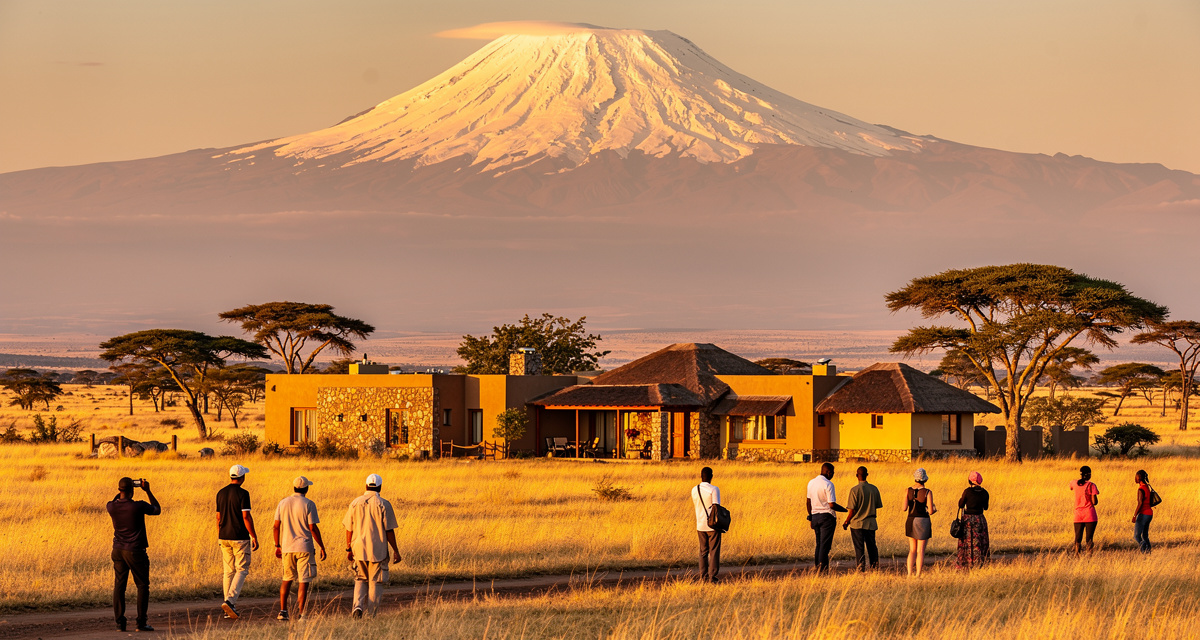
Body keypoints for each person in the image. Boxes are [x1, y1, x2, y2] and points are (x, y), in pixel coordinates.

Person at [107, 477, 161, 632]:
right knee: (142, 585)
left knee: (119, 585)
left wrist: (122, 492)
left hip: (117, 550)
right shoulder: (138, 506)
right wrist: (148, 490)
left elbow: (115, 500)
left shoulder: (111, 507)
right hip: (135, 551)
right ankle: (141, 622)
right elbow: (156, 509)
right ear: (132, 489)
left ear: (119, 490)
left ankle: (120, 623)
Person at [344, 473, 400, 618]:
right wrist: (396, 551)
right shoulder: (384, 504)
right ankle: (371, 614)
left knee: (360, 578)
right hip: (378, 550)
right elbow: (389, 530)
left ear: (366, 485)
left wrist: (348, 547)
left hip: (358, 548)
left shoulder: (355, 502)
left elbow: (349, 528)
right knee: (376, 581)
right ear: (380, 486)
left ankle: (357, 607)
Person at [274, 476, 327, 621]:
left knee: (287, 579)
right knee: (304, 582)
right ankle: (302, 614)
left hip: (286, 546)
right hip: (304, 547)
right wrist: (322, 546)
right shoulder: (309, 504)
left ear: (294, 487)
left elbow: (276, 526)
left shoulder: (283, 503)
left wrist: (277, 545)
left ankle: (283, 611)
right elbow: (312, 528)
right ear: (306, 489)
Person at [216, 464, 259, 620]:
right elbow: (246, 517)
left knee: (228, 571)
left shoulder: (220, 493)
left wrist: (219, 534)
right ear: (242, 478)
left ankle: (227, 607)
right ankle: (230, 601)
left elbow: (218, 517)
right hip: (239, 537)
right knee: (242, 569)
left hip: (223, 536)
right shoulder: (243, 494)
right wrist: (253, 535)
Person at [842, 466, 883, 572]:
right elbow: (877, 505)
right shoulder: (874, 489)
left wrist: (847, 521)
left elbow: (852, 510)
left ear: (857, 475)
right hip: (870, 522)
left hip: (857, 523)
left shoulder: (854, 490)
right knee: (872, 546)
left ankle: (860, 568)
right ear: (867, 475)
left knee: (859, 548)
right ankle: (874, 567)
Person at [806, 462, 845, 573]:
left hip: (815, 516)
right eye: (832, 472)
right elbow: (831, 504)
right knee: (825, 546)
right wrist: (844, 510)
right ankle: (823, 571)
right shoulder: (828, 484)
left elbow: (808, 502)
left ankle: (818, 568)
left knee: (818, 544)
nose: (833, 475)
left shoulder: (811, 482)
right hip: (827, 517)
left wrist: (811, 516)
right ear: (828, 472)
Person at [904, 467, 937, 577]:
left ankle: (909, 574)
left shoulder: (907, 490)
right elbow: (931, 511)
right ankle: (918, 575)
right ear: (925, 480)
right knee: (920, 550)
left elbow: (904, 508)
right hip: (923, 520)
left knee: (912, 550)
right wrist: (934, 509)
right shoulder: (928, 492)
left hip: (910, 519)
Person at [692, 466, 722, 583]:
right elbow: (716, 507)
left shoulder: (694, 489)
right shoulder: (714, 489)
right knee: (714, 551)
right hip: (712, 525)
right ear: (711, 477)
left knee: (703, 551)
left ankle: (703, 577)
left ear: (701, 476)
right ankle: (712, 577)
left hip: (700, 524)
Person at [955, 471, 990, 569]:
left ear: (970, 481)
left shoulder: (967, 491)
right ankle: (980, 562)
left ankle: (966, 562)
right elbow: (986, 507)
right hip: (980, 519)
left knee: (967, 541)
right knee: (980, 541)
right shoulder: (985, 492)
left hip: (968, 520)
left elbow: (961, 505)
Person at [1071, 465, 1099, 555]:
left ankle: (1077, 554)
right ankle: (1089, 555)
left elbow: (1071, 486)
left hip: (1078, 514)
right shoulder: (1091, 485)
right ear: (1089, 475)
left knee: (1078, 537)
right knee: (1089, 538)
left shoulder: (1074, 483)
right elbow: (1094, 502)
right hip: (1090, 514)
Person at [1132, 469, 1154, 553]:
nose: (1135, 478)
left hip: (1143, 514)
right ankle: (1148, 553)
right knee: (1145, 535)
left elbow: (1140, 503)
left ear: (1139, 478)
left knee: (1137, 536)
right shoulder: (1147, 487)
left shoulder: (1141, 489)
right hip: (1149, 514)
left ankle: (1144, 550)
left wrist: (1134, 515)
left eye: (1136, 476)